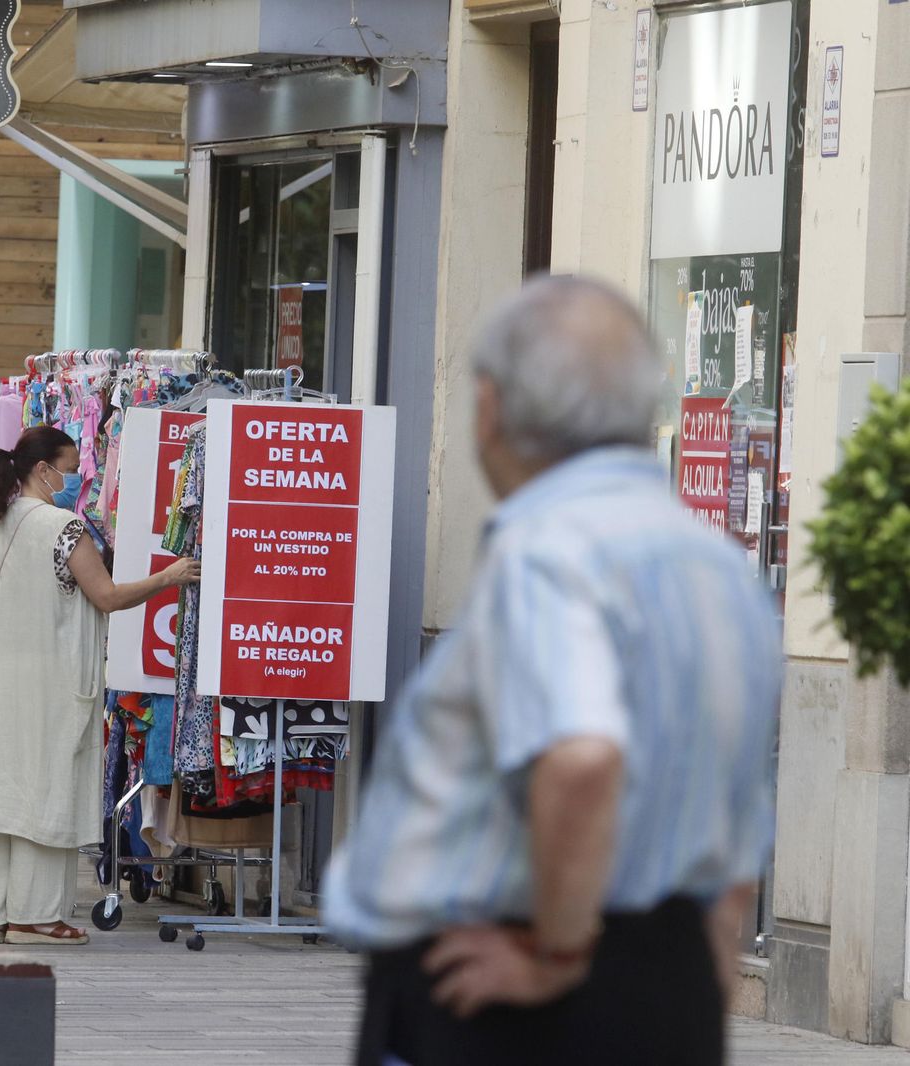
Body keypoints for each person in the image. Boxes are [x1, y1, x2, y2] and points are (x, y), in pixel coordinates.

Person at [324, 276, 782, 1066]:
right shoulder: (720, 569)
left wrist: (560, 957)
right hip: (668, 982)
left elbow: (582, 756)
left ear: (490, 407)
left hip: (508, 998)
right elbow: (735, 819)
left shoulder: (546, 552)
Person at [0, 426, 200, 946]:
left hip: (3, 680)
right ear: (43, 470)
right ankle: (35, 917)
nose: (77, 478)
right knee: (49, 792)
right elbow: (107, 596)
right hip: (54, 679)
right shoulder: (64, 528)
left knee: (7, 797)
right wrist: (169, 576)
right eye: (71, 469)